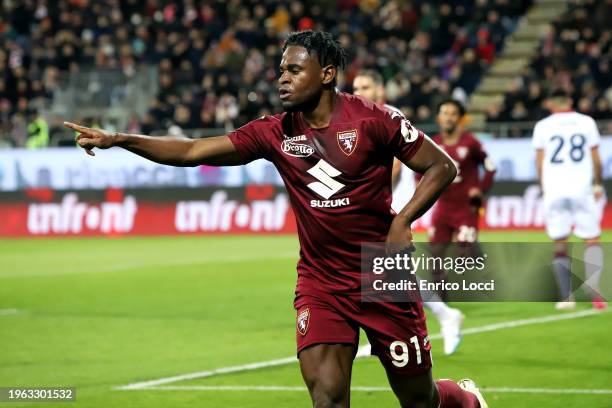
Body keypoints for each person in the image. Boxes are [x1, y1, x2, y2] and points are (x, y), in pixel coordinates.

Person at [64, 31, 487, 408]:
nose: (281, 78)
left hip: (381, 274)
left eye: (293, 69)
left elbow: (442, 167)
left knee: (419, 399)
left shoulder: (374, 119)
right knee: (328, 397)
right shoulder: (274, 132)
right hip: (321, 284)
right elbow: (193, 151)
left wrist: (403, 221)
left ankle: (464, 399)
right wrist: (120, 140)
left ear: (326, 74)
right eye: (280, 70)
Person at [353, 69, 464, 356]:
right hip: (377, 202)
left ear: (379, 89)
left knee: (389, 271)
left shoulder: (388, 114)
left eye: (365, 86)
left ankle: (441, 316)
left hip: (393, 203)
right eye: (355, 86)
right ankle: (392, 334)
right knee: (386, 273)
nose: (358, 91)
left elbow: (397, 165)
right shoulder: (355, 117)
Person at [533, 89, 607, 310]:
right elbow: (596, 159)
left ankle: (566, 297)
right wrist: (597, 184)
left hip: (555, 191)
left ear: (550, 104)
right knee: (592, 238)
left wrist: (544, 187)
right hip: (581, 189)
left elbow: (539, 162)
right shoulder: (586, 122)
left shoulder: (542, 126)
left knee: (560, 243)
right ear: (570, 101)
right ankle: (595, 291)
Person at [426, 99, 496, 300]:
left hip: (466, 208)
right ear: (439, 118)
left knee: (462, 259)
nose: (448, 117)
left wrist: (480, 190)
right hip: (443, 208)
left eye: (453, 113)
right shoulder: (433, 144)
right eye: (444, 113)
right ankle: (442, 302)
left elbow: (490, 167)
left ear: (461, 118)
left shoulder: (471, 143)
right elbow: (419, 170)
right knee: (435, 257)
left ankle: (473, 250)